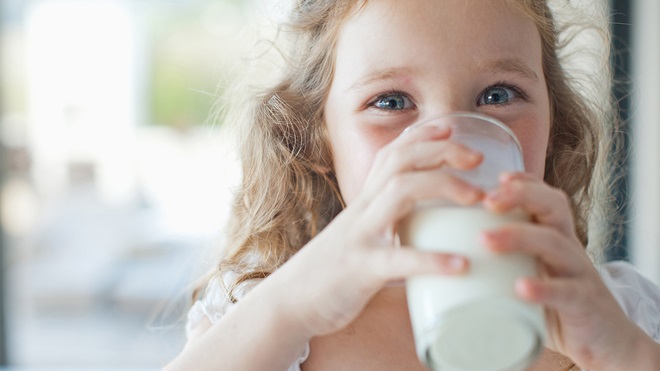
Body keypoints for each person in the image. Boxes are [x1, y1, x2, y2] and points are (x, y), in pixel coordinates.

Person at [165, 0, 660, 370]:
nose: (450, 144)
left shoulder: (618, 315)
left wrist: (623, 353)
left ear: (555, 124)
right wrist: (289, 307)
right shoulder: (261, 328)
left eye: (498, 94)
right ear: (316, 138)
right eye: (391, 102)